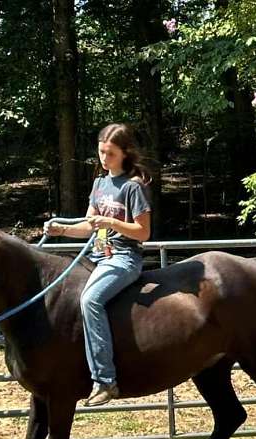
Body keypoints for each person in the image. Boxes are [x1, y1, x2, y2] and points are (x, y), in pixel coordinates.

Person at [44, 123, 152, 406]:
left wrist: (112, 222)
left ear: (125, 153)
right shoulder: (99, 184)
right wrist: (62, 230)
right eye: (102, 153)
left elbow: (143, 232)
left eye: (111, 154)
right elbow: (89, 225)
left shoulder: (133, 187)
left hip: (124, 258)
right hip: (97, 256)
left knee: (91, 299)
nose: (104, 159)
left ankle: (105, 380)